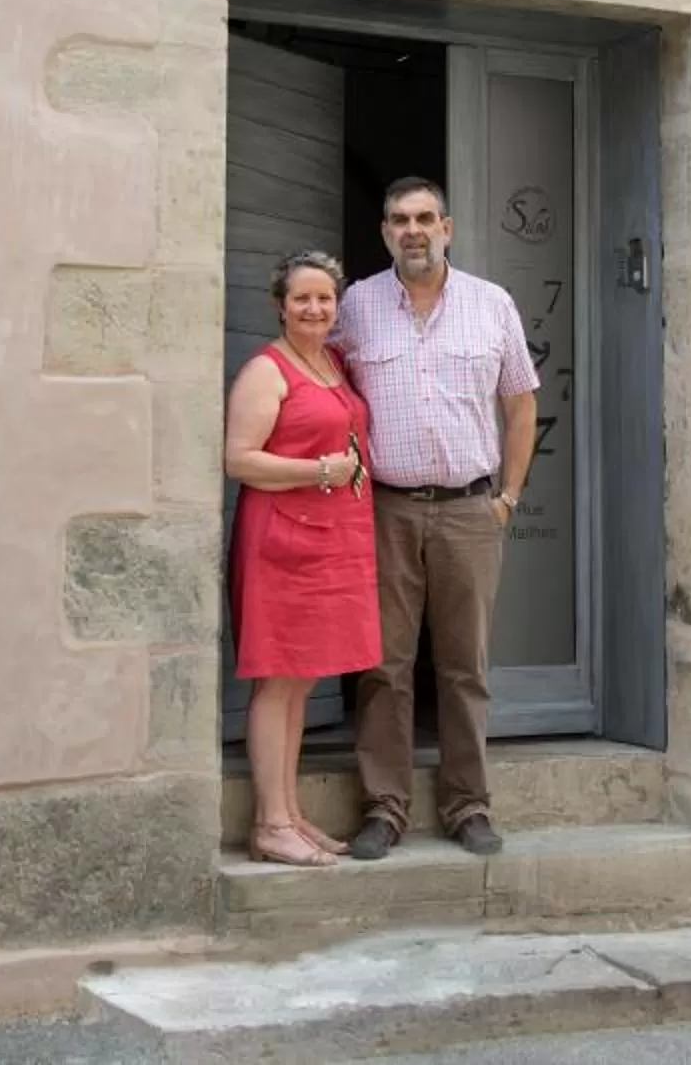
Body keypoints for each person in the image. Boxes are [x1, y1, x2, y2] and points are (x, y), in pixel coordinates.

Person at [331, 176, 539, 860]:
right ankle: (384, 808)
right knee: (384, 666)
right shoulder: (356, 305)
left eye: (425, 218)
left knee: (463, 666)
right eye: (399, 219)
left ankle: (467, 805)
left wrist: (506, 496)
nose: (412, 230)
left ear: (446, 227)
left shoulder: (491, 304)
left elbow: (520, 404)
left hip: (469, 510)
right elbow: (322, 388)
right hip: (385, 509)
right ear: (385, 231)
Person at [223, 249, 381, 868]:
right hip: (282, 542)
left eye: (324, 299)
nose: (314, 308)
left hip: (330, 539)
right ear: (280, 306)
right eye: (302, 299)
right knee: (277, 681)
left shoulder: (331, 361)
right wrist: (317, 470)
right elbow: (239, 458)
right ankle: (269, 824)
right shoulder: (267, 371)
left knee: (301, 679)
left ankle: (288, 814)